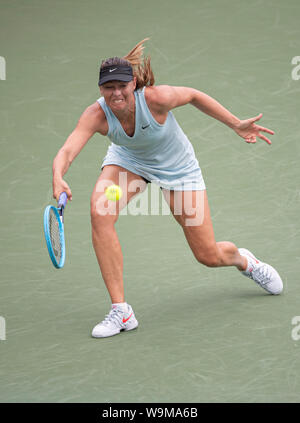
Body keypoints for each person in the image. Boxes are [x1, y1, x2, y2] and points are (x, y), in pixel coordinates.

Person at [52, 39, 283, 338]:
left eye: (122, 85)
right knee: (100, 210)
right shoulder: (95, 115)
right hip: (129, 163)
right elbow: (67, 151)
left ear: (133, 83)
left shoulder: (156, 99)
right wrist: (58, 176)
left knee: (208, 255)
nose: (116, 93)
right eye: (108, 87)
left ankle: (244, 260)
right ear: (101, 89)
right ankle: (121, 312)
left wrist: (235, 124)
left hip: (178, 170)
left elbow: (194, 95)